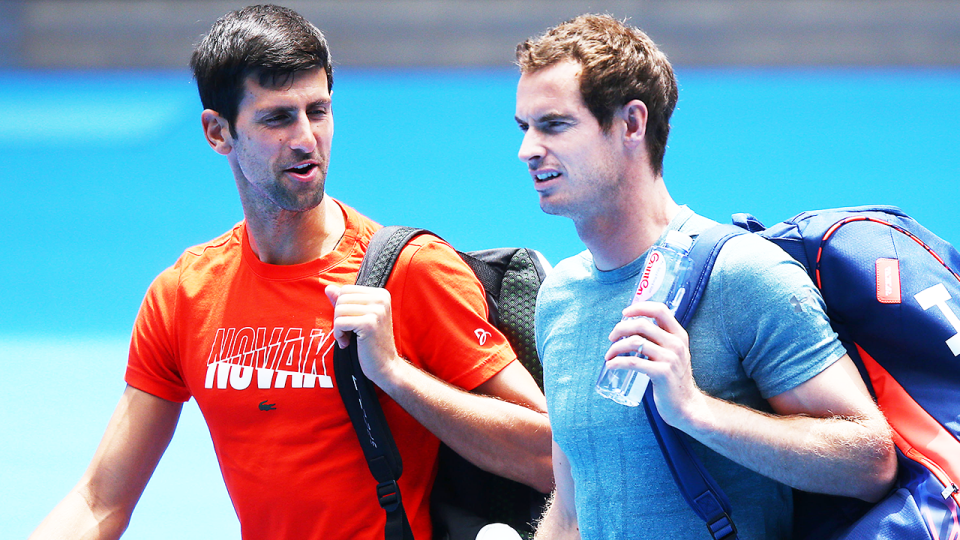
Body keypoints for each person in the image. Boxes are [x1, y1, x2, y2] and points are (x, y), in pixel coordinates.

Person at [30, 5, 552, 540]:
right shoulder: (184, 295)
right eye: (278, 118)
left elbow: (552, 457)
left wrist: (396, 374)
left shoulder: (409, 273)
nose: (306, 138)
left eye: (318, 111)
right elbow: (99, 501)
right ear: (218, 131)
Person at [513, 14, 897, 540]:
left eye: (554, 124)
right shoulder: (559, 295)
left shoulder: (744, 273)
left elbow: (870, 463)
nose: (527, 150)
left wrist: (694, 409)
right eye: (524, 128)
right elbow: (575, 508)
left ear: (631, 124)